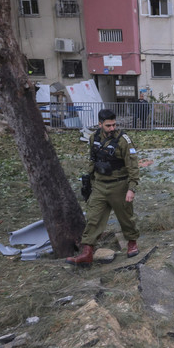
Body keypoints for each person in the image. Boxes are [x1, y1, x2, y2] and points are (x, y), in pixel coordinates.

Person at [66, 109, 141, 266]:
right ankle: (87, 253)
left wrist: (131, 188)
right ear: (100, 124)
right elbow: (92, 160)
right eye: (108, 125)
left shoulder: (123, 140)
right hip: (100, 186)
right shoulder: (94, 138)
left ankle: (132, 243)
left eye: (114, 125)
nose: (112, 128)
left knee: (126, 218)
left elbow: (133, 165)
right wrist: (89, 181)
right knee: (93, 218)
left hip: (119, 185)